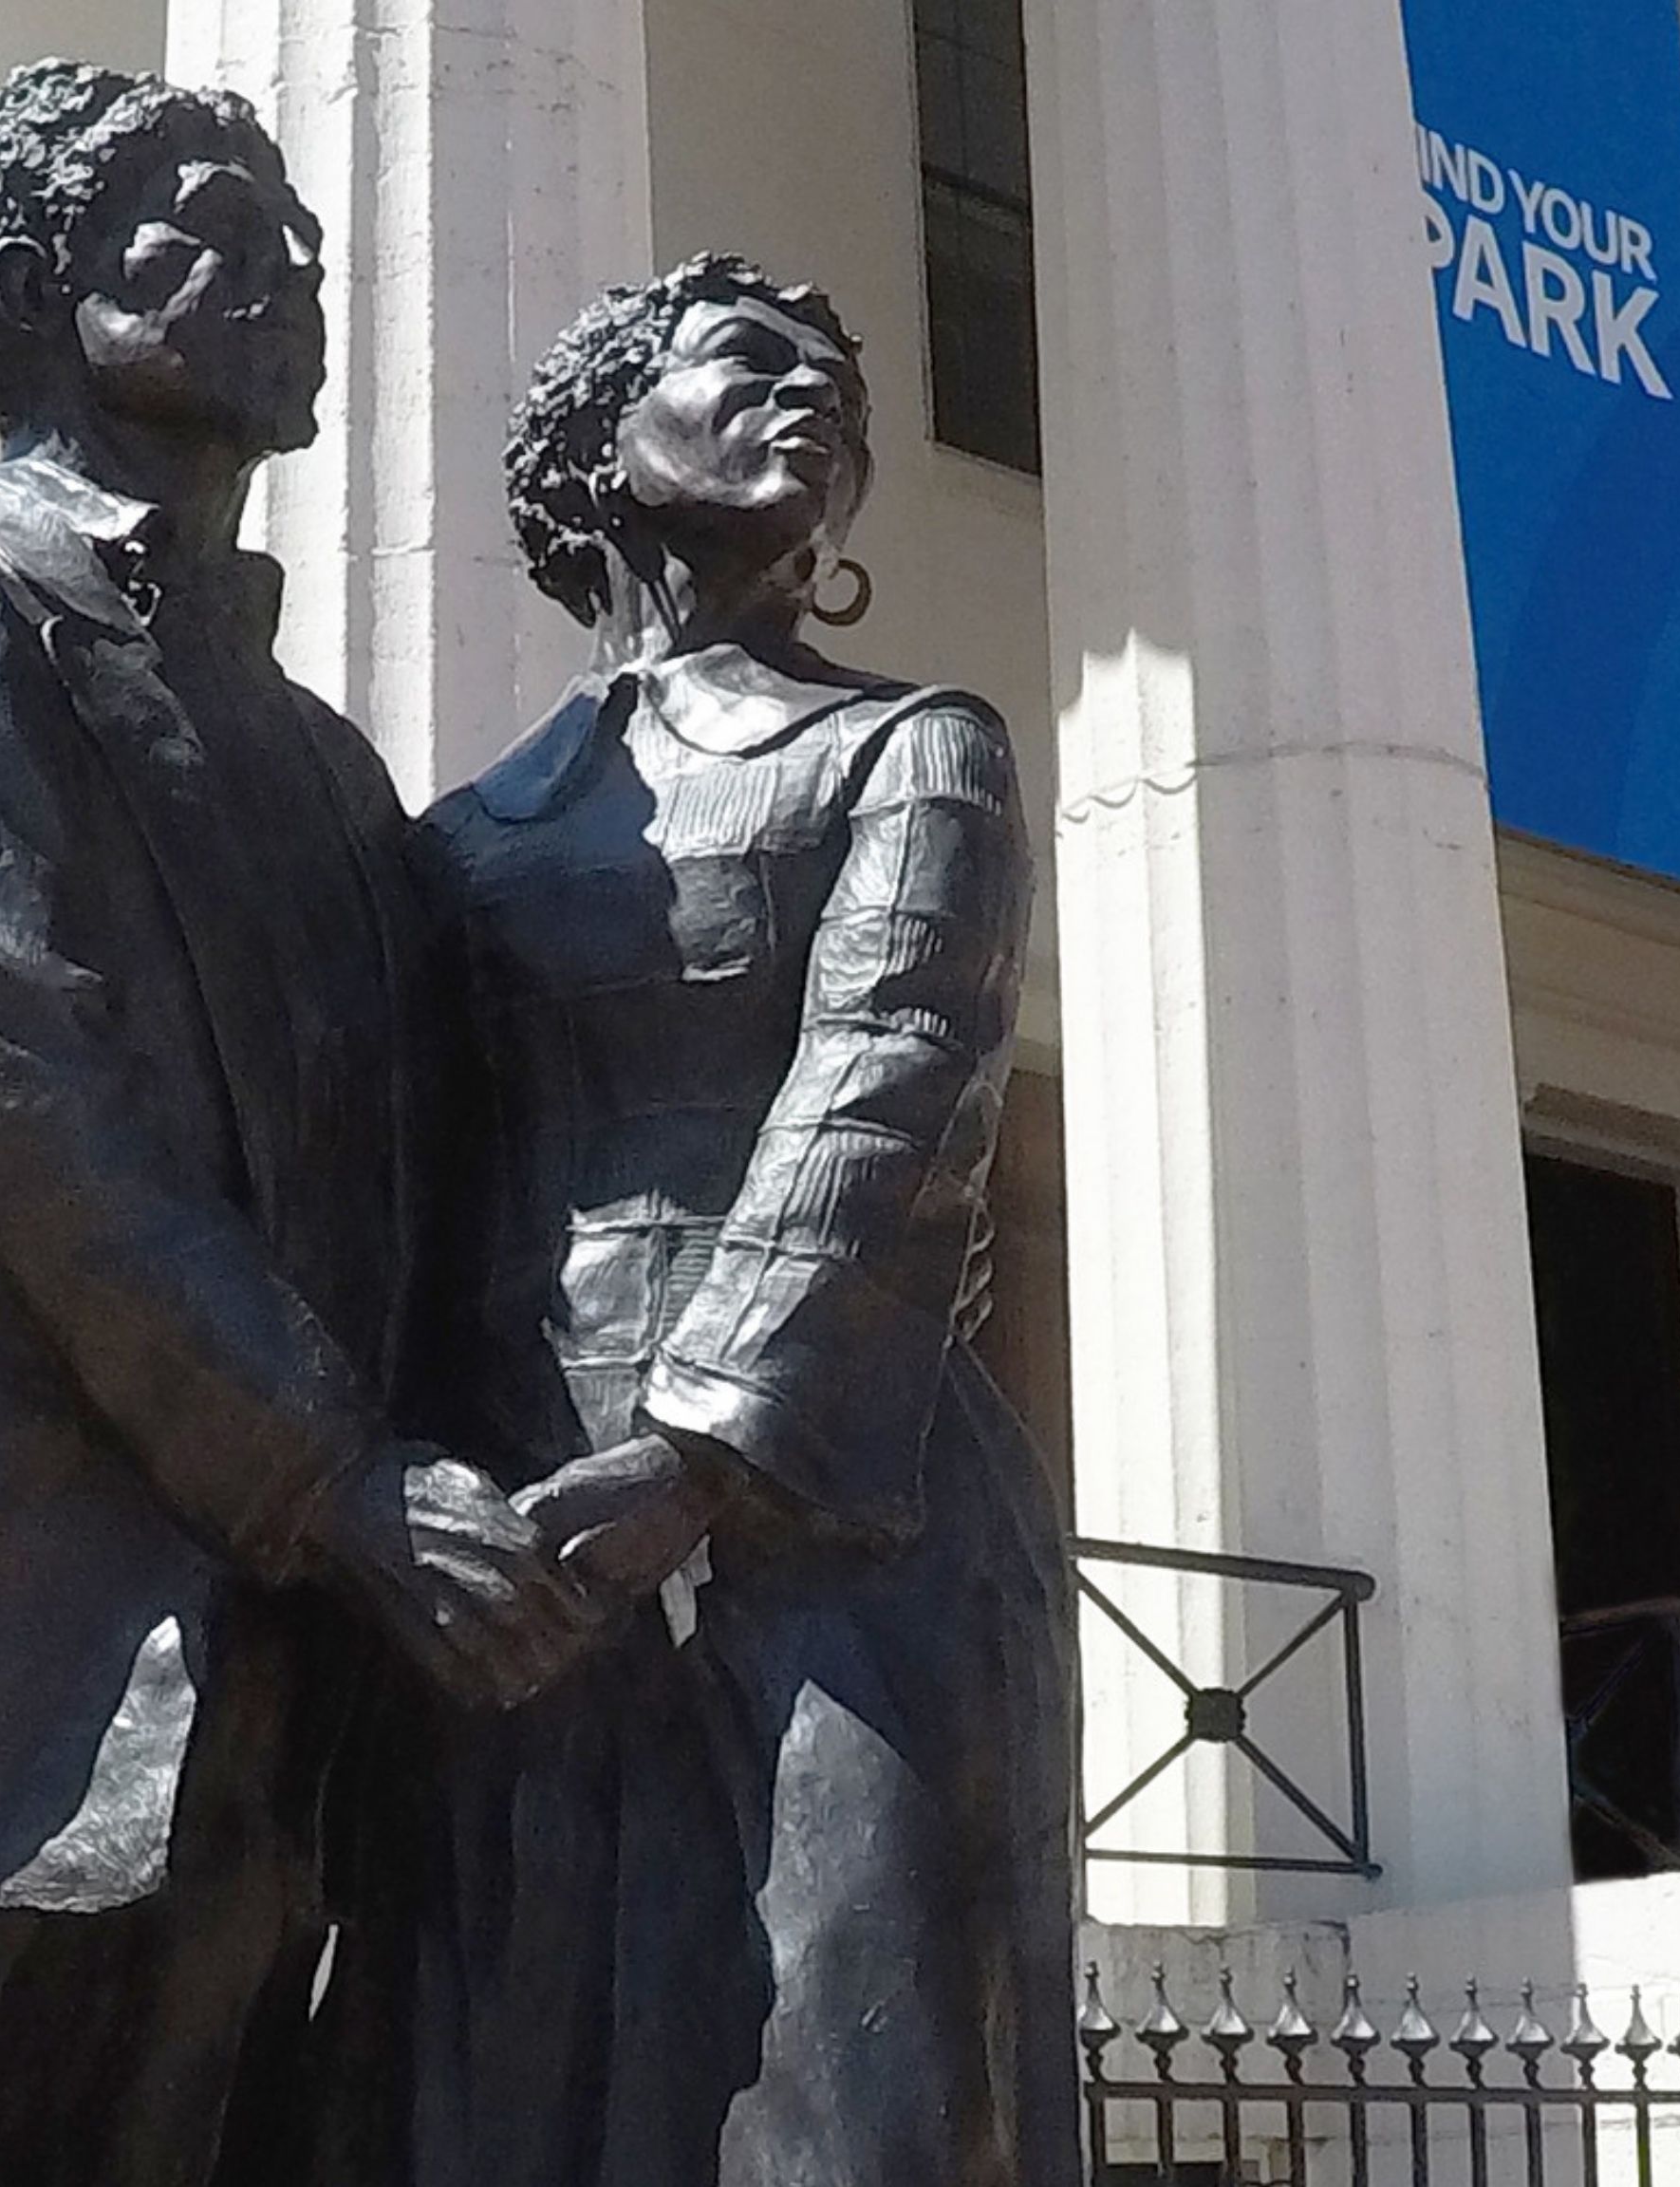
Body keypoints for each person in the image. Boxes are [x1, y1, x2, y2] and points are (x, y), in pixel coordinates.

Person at [0, 61, 593, 2186]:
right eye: (188, 213)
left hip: (259, 1700)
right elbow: (11, 1097)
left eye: (293, 224)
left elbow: (428, 1191)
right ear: (35, 287)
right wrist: (347, 1482)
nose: (273, 253)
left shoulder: (335, 777)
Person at [383, 254, 1081, 2187]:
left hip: (844, 1516)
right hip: (530, 1541)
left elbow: (891, 1091)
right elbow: (407, 1206)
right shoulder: (455, 848)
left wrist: (695, 1452)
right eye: (750, 365)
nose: (814, 406)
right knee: (536, 2094)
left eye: (838, 395)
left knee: (852, 2104)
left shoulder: (912, 750)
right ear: (608, 440)